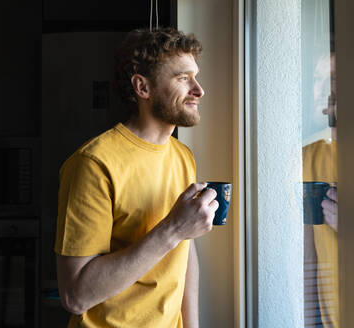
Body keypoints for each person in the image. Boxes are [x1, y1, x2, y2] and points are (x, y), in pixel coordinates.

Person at [54, 28, 217, 328]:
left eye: (195, 76)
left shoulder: (183, 156)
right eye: (183, 78)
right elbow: (75, 295)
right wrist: (172, 229)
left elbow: (184, 250)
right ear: (143, 88)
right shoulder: (93, 164)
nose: (199, 89)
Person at [303, 52, 339, 328]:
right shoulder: (306, 159)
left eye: (332, 79)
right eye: (318, 79)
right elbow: (305, 259)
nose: (322, 90)